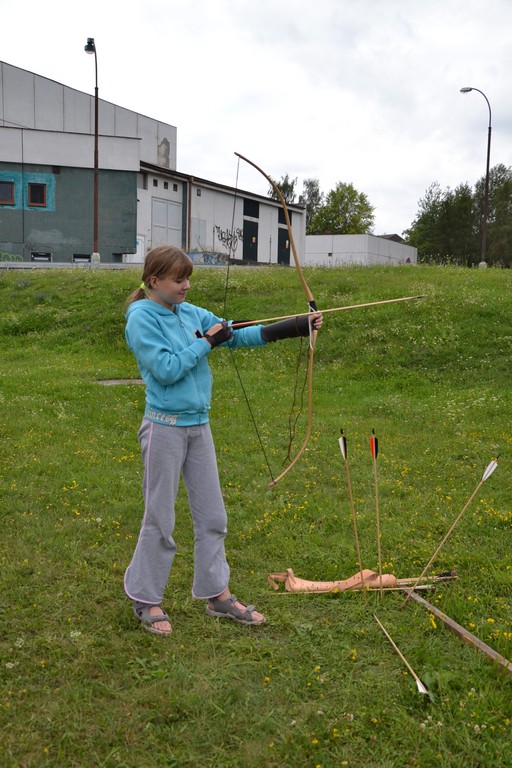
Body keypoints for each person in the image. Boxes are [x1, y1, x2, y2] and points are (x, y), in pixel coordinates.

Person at [123, 244, 323, 635]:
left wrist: (297, 326)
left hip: (199, 426)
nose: (186, 286)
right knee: (160, 517)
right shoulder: (141, 318)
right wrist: (207, 343)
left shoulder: (189, 312)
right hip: (164, 426)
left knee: (213, 516)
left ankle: (217, 594)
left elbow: (235, 333)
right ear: (154, 281)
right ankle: (146, 599)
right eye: (178, 280)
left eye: (188, 279)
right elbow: (166, 370)